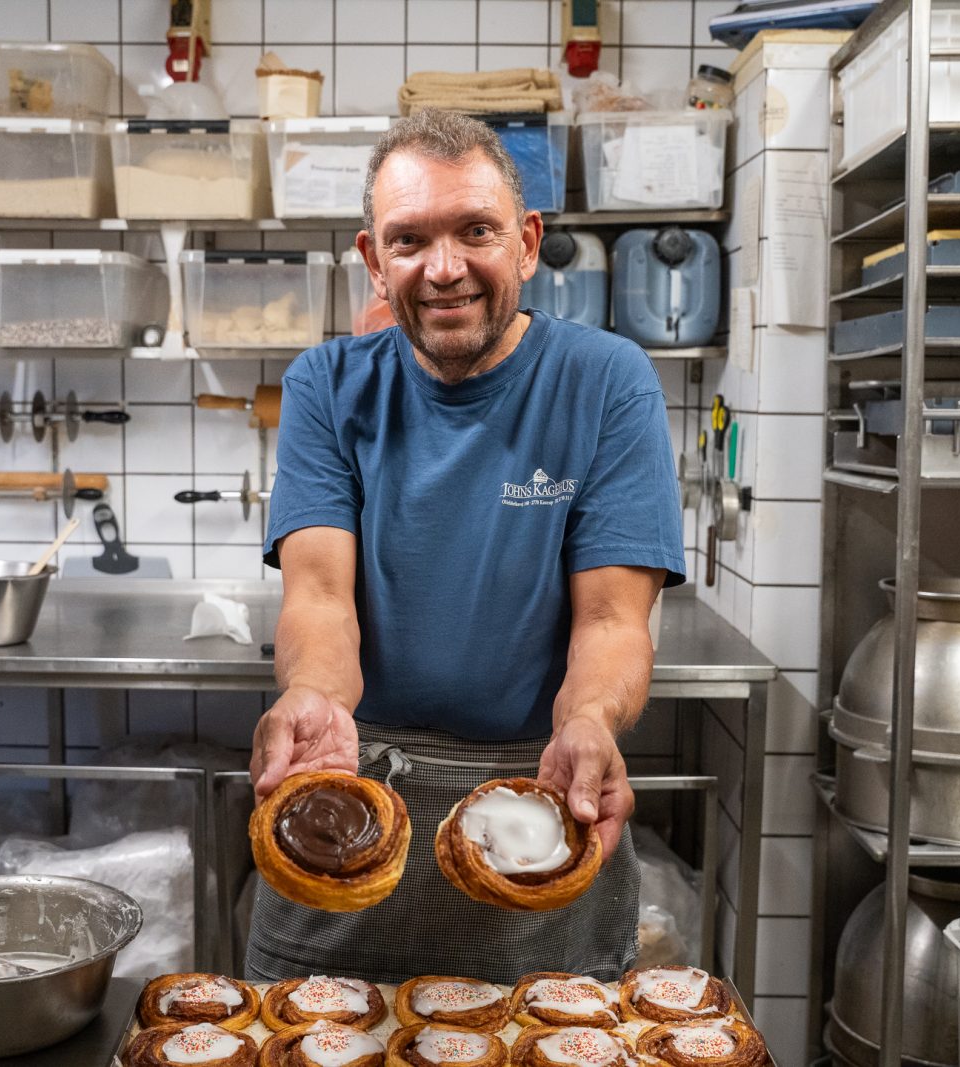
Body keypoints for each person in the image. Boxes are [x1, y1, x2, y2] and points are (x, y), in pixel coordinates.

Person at [246, 109, 685, 983]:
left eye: (474, 231)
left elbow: (611, 619)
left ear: (526, 244)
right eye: (409, 240)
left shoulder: (606, 382)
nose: (444, 269)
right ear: (375, 260)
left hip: (536, 815)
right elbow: (321, 597)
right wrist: (310, 695)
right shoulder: (326, 387)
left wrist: (591, 721)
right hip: (349, 805)